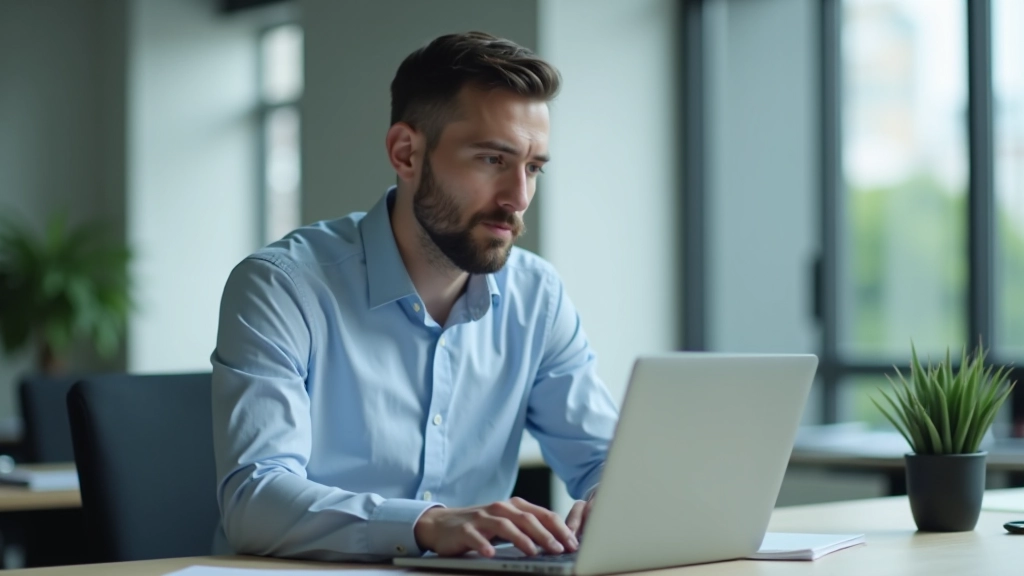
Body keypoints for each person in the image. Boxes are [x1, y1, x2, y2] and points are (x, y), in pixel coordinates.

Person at [210, 31, 618, 563]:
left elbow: (606, 456)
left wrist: (614, 497)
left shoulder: (536, 296)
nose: (519, 198)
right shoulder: (282, 287)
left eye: (533, 167)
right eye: (493, 160)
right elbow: (254, 500)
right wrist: (424, 525)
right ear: (406, 152)